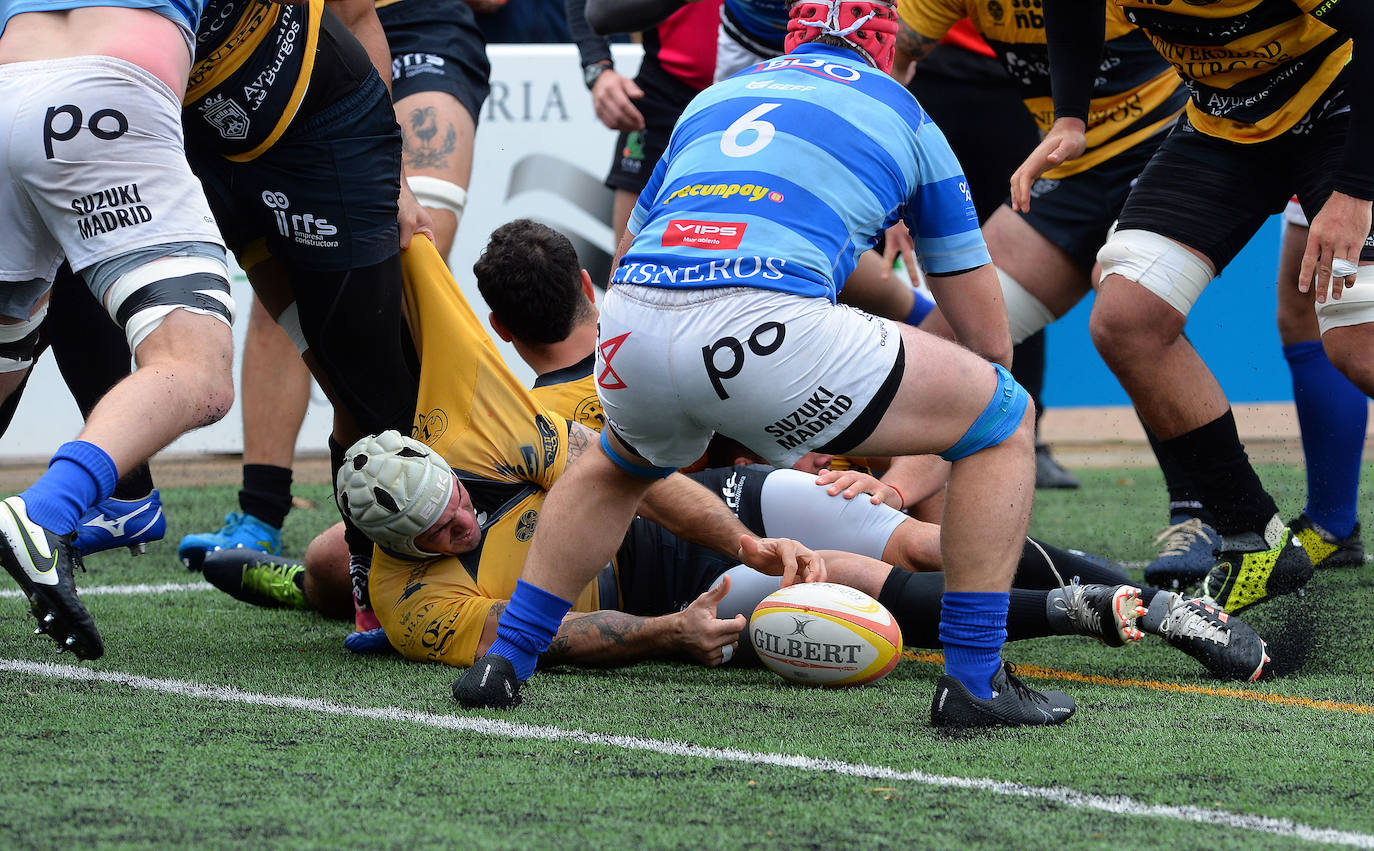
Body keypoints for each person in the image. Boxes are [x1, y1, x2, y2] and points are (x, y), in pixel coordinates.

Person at [205, 220, 1269, 683]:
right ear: (591, 287)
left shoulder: (533, 417)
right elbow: (607, 528)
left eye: (450, 504)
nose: (458, 521)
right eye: (436, 530)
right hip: (738, 489)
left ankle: (1133, 596)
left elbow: (644, 474)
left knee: (913, 524)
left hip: (739, 481)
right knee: (862, 567)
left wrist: (828, 486)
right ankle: (1112, 607)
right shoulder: (434, 561)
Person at [454, 2, 1082, 730]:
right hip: (764, 326)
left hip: (634, 318)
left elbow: (635, 247)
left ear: (790, 37)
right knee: (1005, 417)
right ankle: (975, 680)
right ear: (888, 46)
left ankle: (506, 658)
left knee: (617, 465)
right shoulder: (903, 112)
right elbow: (988, 336)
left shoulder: (716, 98)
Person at [1012, 0, 1374, 613]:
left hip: (1340, 112)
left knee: (1359, 348)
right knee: (1128, 319)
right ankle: (1250, 536)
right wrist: (1070, 117)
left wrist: (1358, 189)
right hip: (1222, 127)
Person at [178, 0, 492, 574]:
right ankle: (270, 517)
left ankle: (462, 500)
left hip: (400, 31)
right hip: (251, 75)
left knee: (408, 266)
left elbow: (360, 12)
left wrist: (392, 176)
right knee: (319, 331)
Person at [0, 1, 238, 660]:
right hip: (104, 98)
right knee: (196, 367)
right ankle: (45, 512)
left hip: (7, 85)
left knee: (4, 355)